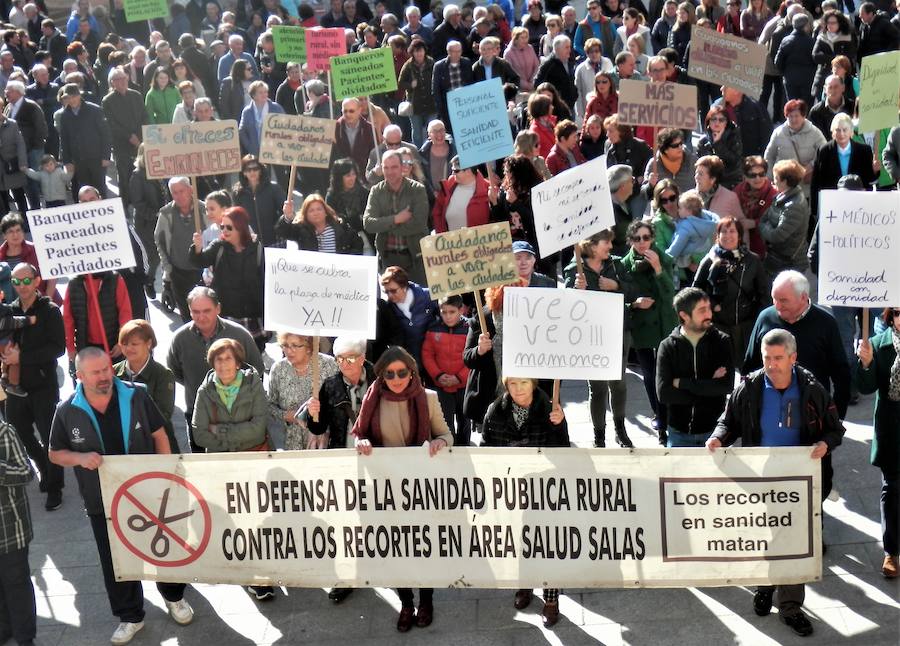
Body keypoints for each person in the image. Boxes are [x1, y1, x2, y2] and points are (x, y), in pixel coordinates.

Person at [49, 347, 194, 645]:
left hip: (147, 492)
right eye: (96, 372)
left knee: (162, 548)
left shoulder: (136, 394)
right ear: (80, 376)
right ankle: (130, 615)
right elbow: (54, 453)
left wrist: (165, 474)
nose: (105, 376)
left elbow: (159, 434)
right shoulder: (66, 410)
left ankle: (174, 597)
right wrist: (78, 458)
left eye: (106, 369)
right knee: (115, 560)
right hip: (101, 500)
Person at [708, 328, 844, 638]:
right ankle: (764, 586)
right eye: (767, 358)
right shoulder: (751, 387)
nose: (771, 365)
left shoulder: (813, 389)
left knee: (793, 544)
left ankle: (791, 608)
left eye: (778, 358)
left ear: (793, 358)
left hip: (800, 483)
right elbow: (728, 422)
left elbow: (836, 429)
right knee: (764, 537)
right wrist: (718, 438)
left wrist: (825, 443)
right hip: (760, 481)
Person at [352, 345, 452, 632]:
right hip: (385, 490)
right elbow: (361, 434)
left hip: (420, 489)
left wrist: (440, 442)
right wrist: (362, 443)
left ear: (412, 372)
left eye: (402, 372)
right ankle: (406, 602)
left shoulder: (428, 398)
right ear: (381, 375)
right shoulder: (371, 399)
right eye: (390, 373)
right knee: (396, 549)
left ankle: (427, 601)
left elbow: (446, 433)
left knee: (423, 547)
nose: (396, 378)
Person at [482, 374, 568, 627]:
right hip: (510, 490)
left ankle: (551, 599)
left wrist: (559, 424)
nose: (518, 389)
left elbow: (564, 452)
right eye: (513, 384)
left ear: (533, 384)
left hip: (543, 490)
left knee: (547, 544)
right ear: (506, 385)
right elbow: (486, 447)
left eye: (524, 383)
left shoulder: (551, 408)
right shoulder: (495, 410)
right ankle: (524, 586)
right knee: (518, 541)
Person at [190, 338, 273, 601]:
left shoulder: (254, 384)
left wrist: (222, 431)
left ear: (238, 362)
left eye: (228, 359)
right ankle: (251, 575)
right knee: (234, 520)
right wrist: (239, 433)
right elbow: (199, 434)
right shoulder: (205, 392)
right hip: (222, 467)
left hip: (253, 462)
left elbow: (259, 428)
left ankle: (263, 568)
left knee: (256, 517)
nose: (223, 364)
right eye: (218, 359)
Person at [167, 287, 264, 452]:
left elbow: (257, 370)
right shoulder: (180, 338)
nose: (201, 317)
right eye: (195, 312)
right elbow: (174, 371)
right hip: (198, 414)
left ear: (218, 308)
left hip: (240, 417)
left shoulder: (239, 335)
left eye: (206, 311)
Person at [3, 262, 64, 512]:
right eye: (16, 282)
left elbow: (57, 348)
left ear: (37, 281)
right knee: (20, 433)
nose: (21, 287)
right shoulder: (10, 310)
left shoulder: (49, 310)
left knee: (49, 436)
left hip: (43, 385)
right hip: (15, 386)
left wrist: (22, 358)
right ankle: (43, 466)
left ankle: (54, 487)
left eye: (26, 281)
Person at [564, 230, 633, 447]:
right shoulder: (574, 269)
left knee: (619, 384)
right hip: (591, 337)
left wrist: (617, 286)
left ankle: (620, 430)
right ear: (592, 246)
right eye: (606, 242)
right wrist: (576, 290)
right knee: (598, 388)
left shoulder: (617, 265)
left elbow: (634, 290)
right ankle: (599, 436)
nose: (611, 246)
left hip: (617, 332)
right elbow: (566, 305)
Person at [656, 286, 734, 447]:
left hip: (714, 434)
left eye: (709, 308)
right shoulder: (668, 346)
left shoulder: (722, 342)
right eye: (702, 310)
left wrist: (683, 383)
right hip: (679, 434)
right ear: (684, 315)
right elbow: (664, 394)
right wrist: (708, 387)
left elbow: (726, 386)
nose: (709, 314)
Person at [855, 306, 900, 579]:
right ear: (890, 317)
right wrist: (867, 363)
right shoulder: (878, 345)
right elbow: (866, 387)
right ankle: (892, 551)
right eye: (897, 312)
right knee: (892, 488)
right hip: (892, 426)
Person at [622, 220, 677, 440]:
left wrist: (658, 270)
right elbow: (621, 299)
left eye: (646, 237)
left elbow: (670, 294)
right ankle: (659, 414)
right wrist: (635, 303)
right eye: (637, 239)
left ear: (652, 238)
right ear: (630, 241)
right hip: (642, 329)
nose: (642, 243)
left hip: (665, 325)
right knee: (649, 375)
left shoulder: (664, 259)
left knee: (665, 374)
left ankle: (666, 418)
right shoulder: (624, 265)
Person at [693, 217, 768, 366]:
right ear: (718, 236)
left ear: (739, 235)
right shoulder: (709, 260)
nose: (728, 235)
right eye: (723, 231)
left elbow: (764, 293)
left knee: (747, 369)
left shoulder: (752, 260)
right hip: (716, 326)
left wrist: (759, 322)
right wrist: (712, 304)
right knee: (720, 370)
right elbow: (695, 292)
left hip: (745, 327)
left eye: (732, 231)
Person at [190, 206, 266, 350]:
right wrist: (197, 248)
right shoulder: (218, 247)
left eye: (229, 227)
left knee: (253, 358)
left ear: (241, 228)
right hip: (225, 314)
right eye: (222, 226)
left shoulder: (257, 248)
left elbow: (265, 280)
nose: (224, 231)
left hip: (252, 315)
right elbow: (199, 261)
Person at [363, 150, 430, 284]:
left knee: (418, 301)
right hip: (388, 258)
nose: (390, 171)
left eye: (394, 167)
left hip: (414, 259)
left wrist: (384, 225)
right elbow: (368, 224)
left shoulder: (417, 189)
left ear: (402, 167)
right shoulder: (376, 191)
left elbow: (419, 223)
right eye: (386, 167)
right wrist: (396, 219)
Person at [113, 319, 179, 453]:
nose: (128, 348)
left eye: (134, 344)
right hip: (125, 444)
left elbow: (164, 414)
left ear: (149, 343)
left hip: (157, 443)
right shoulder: (113, 372)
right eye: (124, 344)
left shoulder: (163, 375)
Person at [0, 411, 37, 646]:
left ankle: (25, 637)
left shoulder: (4, 431)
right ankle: (4, 629)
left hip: (10, 529)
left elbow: (27, 472)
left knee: (16, 583)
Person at [267, 332, 339, 450]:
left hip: (323, 441)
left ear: (309, 347)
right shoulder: (278, 369)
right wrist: (286, 415)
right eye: (285, 345)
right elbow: (269, 405)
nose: (289, 351)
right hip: (290, 443)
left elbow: (339, 403)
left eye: (295, 346)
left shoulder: (329, 365)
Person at [155, 176, 206, 322]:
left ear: (190, 190)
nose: (179, 195)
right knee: (187, 316)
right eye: (174, 192)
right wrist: (168, 271)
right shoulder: (166, 214)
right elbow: (160, 241)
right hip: (179, 273)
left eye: (182, 191)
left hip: (202, 272)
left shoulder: (203, 209)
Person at [809, 113, 878, 219]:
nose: (841, 134)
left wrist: (875, 171)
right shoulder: (824, 151)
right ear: (832, 133)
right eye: (837, 130)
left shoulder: (864, 151)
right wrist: (815, 210)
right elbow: (816, 181)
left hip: (858, 205)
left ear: (851, 132)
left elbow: (870, 181)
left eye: (845, 130)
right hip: (833, 206)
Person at [62, 268, 132, 365]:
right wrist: (70, 347)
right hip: (85, 345)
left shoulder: (115, 279)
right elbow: (68, 319)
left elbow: (125, 313)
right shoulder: (74, 283)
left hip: (112, 345)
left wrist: (122, 342)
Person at [763, 100, 825, 208]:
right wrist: (770, 178)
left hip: (806, 186)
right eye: (790, 116)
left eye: (796, 116)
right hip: (783, 186)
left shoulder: (815, 133)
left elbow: (824, 153)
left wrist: (810, 166)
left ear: (804, 116)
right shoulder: (778, 132)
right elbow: (769, 155)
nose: (793, 119)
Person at [379, 265, 436, 373]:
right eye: (386, 292)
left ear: (404, 286)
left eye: (393, 291)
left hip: (433, 357)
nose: (390, 295)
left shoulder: (428, 296)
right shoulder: (388, 309)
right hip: (410, 362)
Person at [101, 68, 145, 207]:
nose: (122, 82)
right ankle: (125, 206)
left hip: (140, 142)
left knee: (141, 174)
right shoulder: (108, 100)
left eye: (124, 78)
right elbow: (111, 123)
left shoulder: (136, 95)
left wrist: (140, 137)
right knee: (125, 176)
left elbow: (144, 116)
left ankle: (140, 202)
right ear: (112, 83)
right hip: (121, 144)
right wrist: (129, 136)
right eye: (118, 79)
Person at [667, 189, 718, 286]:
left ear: (689, 211)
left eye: (680, 208)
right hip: (705, 259)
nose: (678, 210)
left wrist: (666, 257)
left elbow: (676, 248)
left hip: (690, 263)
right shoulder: (707, 221)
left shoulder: (686, 227)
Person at [233, 155, 285, 247]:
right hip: (251, 244)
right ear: (243, 172)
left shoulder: (274, 188)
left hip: (274, 242)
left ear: (260, 170)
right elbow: (238, 219)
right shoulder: (238, 192)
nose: (252, 172)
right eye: (248, 169)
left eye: (255, 168)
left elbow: (284, 214)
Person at [733, 155, 777, 257]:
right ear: (745, 177)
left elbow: (774, 222)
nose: (758, 178)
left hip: (762, 246)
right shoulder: (738, 190)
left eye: (761, 174)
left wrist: (753, 223)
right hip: (740, 242)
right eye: (753, 175)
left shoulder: (773, 193)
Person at [431, 156, 490, 232]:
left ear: (468, 171)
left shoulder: (488, 189)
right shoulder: (448, 186)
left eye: (456, 171)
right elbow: (437, 212)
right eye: (452, 170)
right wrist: (441, 233)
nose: (452, 174)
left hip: (479, 241)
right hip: (450, 241)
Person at [397, 39, 436, 149]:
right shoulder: (408, 65)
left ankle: (431, 150)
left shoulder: (431, 63)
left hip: (431, 103)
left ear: (424, 51)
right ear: (412, 52)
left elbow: (437, 79)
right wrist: (410, 85)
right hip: (415, 104)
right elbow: (401, 83)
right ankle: (418, 153)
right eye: (416, 51)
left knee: (433, 129)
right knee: (417, 132)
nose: (419, 53)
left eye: (421, 51)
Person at [811, 10, 856, 100]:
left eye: (833, 23)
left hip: (843, 77)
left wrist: (826, 57)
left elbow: (849, 55)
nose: (830, 25)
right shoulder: (822, 37)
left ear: (840, 23)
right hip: (823, 76)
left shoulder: (847, 37)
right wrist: (835, 58)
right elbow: (815, 55)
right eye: (828, 23)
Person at [431, 41, 473, 133]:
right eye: (454, 51)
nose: (457, 54)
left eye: (459, 51)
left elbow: (471, 83)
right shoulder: (439, 66)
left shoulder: (466, 63)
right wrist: (441, 110)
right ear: (448, 52)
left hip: (465, 105)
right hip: (448, 107)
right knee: (451, 132)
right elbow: (436, 89)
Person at [696, 106, 742, 189]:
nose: (717, 123)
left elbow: (734, 161)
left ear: (726, 122)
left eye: (721, 120)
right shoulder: (703, 141)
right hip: (708, 183)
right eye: (713, 119)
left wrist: (718, 144)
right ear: (708, 121)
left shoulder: (734, 137)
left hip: (729, 182)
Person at [331, 98, 376, 182]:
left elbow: (374, 155)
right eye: (345, 111)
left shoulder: (369, 129)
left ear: (359, 110)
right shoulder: (335, 128)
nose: (348, 114)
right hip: (342, 179)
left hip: (363, 178)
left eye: (351, 111)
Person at [642, 128, 696, 198]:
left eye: (681, 143)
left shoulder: (693, 161)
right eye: (675, 145)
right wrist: (650, 186)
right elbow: (644, 194)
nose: (680, 147)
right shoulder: (654, 164)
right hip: (662, 206)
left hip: (688, 206)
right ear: (665, 149)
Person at [238, 80, 285, 157]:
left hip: (275, 151)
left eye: (265, 92)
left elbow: (285, 127)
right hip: (256, 152)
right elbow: (242, 131)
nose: (264, 94)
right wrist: (249, 146)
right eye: (260, 92)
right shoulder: (247, 111)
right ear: (253, 95)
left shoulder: (276, 108)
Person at [534, 35, 577, 114]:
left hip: (570, 106)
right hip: (555, 109)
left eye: (569, 47)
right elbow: (537, 83)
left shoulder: (569, 61)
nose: (569, 50)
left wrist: (575, 94)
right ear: (558, 49)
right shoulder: (548, 64)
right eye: (566, 47)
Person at [808, 75, 854, 142]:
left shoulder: (852, 106)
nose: (833, 90)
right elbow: (813, 138)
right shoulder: (816, 112)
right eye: (830, 87)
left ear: (843, 87)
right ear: (825, 89)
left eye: (836, 87)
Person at [503, 26, 540, 92]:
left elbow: (536, 65)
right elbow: (512, 74)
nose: (525, 40)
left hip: (533, 86)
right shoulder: (508, 53)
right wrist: (527, 85)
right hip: (518, 90)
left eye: (526, 37)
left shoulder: (530, 48)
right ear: (515, 39)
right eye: (522, 38)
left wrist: (533, 81)